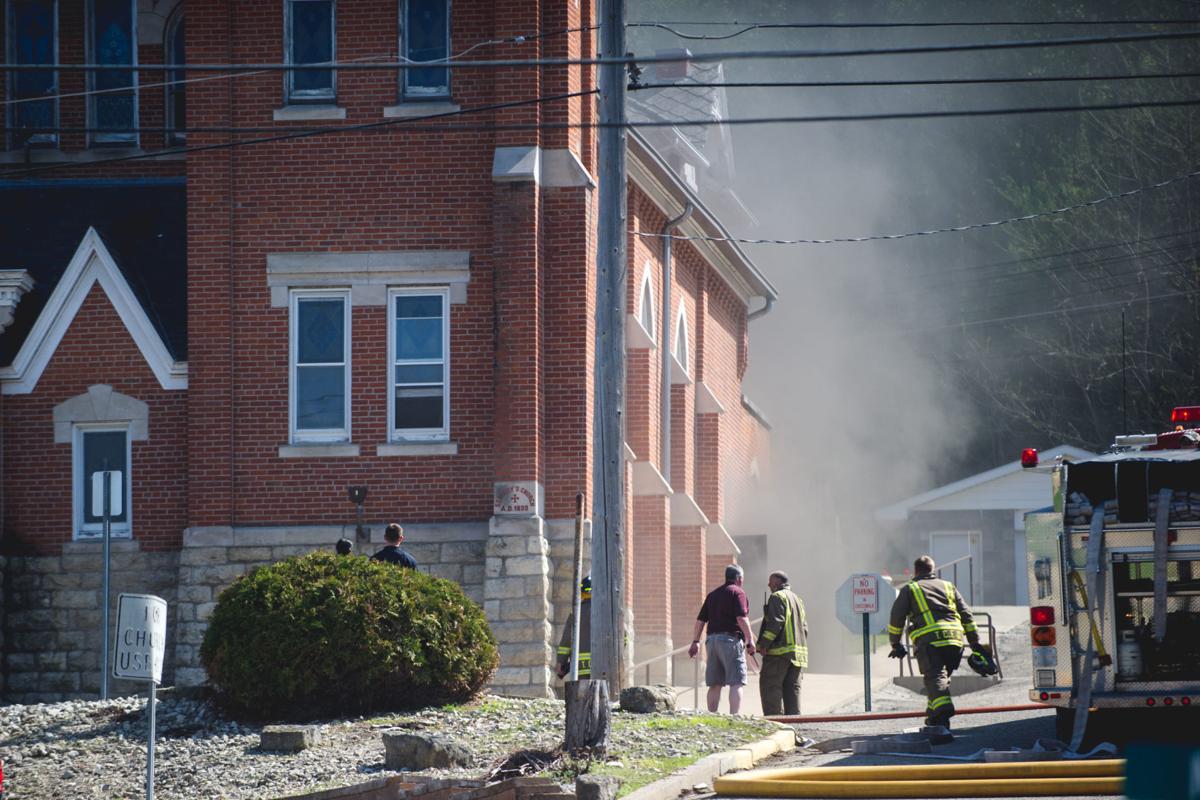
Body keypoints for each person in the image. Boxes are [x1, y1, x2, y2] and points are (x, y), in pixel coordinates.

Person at [887, 555, 985, 730]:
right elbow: (967, 615)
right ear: (933, 570)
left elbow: (897, 617)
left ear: (916, 571)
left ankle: (944, 709)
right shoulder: (948, 586)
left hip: (930, 642)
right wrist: (975, 643)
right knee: (939, 679)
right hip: (955, 641)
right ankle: (935, 720)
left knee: (935, 678)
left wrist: (896, 644)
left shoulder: (911, 588)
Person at [688, 564, 756, 714]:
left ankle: (712, 715)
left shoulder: (713, 595)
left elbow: (700, 621)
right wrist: (750, 640)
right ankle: (734, 715)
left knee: (715, 683)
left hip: (711, 641)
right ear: (739, 579)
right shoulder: (738, 593)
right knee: (736, 681)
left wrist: (695, 641)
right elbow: (741, 618)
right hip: (730, 640)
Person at [755, 571, 808, 716]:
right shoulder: (798, 599)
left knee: (770, 689)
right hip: (797, 657)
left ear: (778, 582)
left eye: (770, 582)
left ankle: (776, 724)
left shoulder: (777, 597)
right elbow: (805, 628)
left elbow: (775, 624)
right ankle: (795, 727)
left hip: (778, 655)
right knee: (792, 692)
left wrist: (763, 645)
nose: (768, 585)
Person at [555, 576, 592, 679]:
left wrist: (561, 661)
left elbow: (567, 640)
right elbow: (623, 637)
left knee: (582, 694)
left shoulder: (576, 612)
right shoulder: (609, 611)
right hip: (604, 666)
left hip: (580, 667)